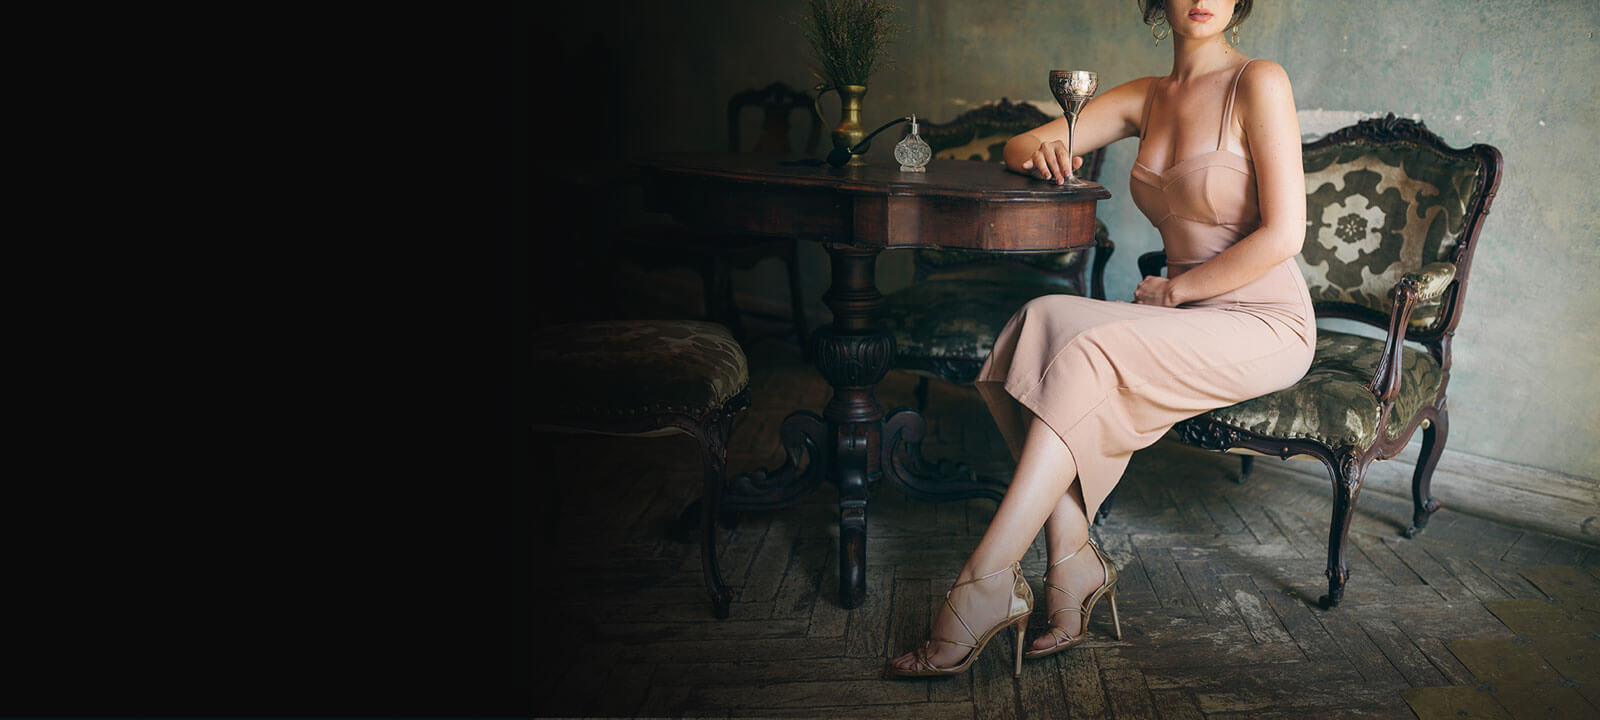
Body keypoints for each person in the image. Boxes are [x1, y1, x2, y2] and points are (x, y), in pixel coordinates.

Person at [888, 0, 1313, 677]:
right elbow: (1019, 146)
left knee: (1082, 350)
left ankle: (987, 580)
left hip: (1263, 320)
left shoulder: (1258, 81)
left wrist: (1176, 289)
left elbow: (1285, 235)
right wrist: (1049, 150)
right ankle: (1074, 557)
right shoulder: (1147, 96)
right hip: (1188, 316)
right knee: (1036, 321)